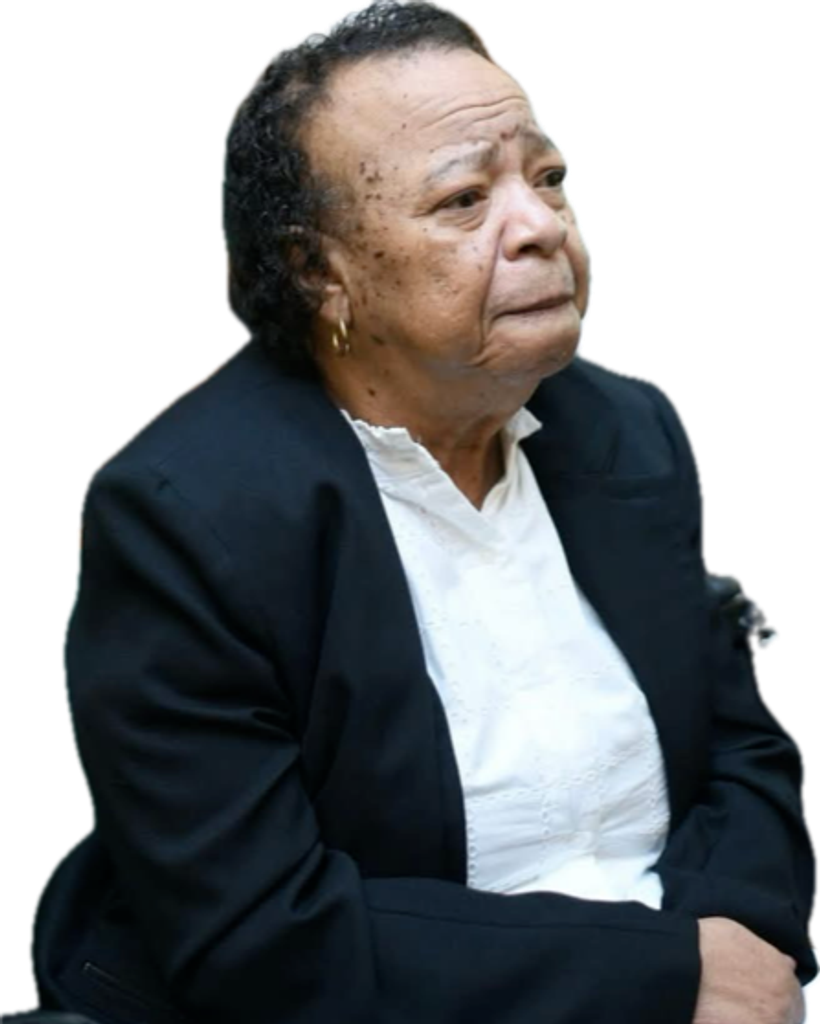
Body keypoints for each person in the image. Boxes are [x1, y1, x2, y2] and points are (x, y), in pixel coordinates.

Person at [40, 2, 816, 1022]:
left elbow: (741, 748)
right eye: (463, 199)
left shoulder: (626, 432)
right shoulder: (186, 518)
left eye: (549, 177)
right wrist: (664, 976)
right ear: (321, 272)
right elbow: (259, 934)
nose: (540, 227)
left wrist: (744, 942)